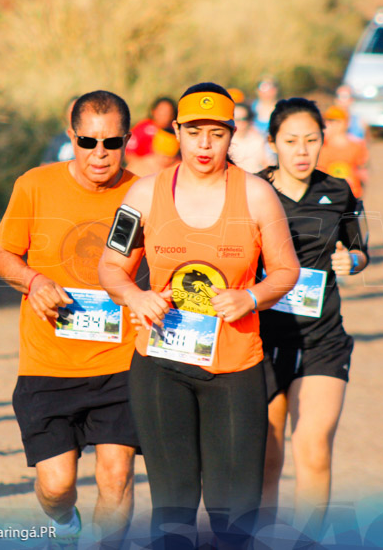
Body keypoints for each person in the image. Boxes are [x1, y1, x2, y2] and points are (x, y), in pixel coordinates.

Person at [99, 83, 300, 548]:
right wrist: (134, 295)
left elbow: (287, 270)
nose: (204, 145)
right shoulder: (145, 194)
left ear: (232, 135)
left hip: (235, 370)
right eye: (194, 132)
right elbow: (110, 266)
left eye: (216, 133)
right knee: (173, 515)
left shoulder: (256, 195)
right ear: (177, 133)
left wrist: (250, 299)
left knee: (234, 519)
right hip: (160, 368)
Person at [0, 91, 140, 549]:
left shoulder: (144, 192)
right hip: (48, 363)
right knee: (57, 486)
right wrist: (34, 283)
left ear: (127, 139)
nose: (100, 154)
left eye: (111, 142)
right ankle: (63, 522)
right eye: (88, 141)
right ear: (71, 136)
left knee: (116, 477)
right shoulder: (35, 185)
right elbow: (1, 255)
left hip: (121, 361)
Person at [255, 98, 369, 534]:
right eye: (290, 141)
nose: (302, 150)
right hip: (260, 343)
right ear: (272, 144)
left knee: (313, 445)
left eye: (311, 140)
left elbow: (360, 250)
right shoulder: (250, 190)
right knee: (266, 455)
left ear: (323, 141)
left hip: (321, 340)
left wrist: (352, 262)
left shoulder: (339, 192)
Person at [316, 106, 369, 199]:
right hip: (328, 195)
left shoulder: (356, 146)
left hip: (352, 194)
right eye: (328, 121)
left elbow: (363, 171)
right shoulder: (321, 147)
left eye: (336, 121)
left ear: (346, 123)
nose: (330, 124)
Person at [229, 101, 271, 173]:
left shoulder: (259, 140)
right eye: (236, 119)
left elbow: (268, 164)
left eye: (244, 119)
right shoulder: (225, 142)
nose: (241, 123)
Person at [41, 96, 79, 165]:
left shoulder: (90, 140)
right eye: (72, 111)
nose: (75, 115)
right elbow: (44, 165)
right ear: (66, 113)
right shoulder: (57, 141)